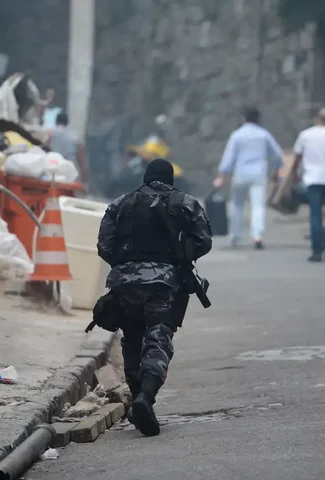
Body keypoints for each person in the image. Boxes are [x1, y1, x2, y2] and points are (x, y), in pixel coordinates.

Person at [97, 158, 212, 437]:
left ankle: (138, 398)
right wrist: (180, 256)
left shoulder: (120, 203)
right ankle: (145, 398)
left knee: (132, 339)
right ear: (170, 178)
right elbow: (204, 239)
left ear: (145, 177)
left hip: (124, 285)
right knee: (159, 338)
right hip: (164, 284)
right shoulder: (184, 202)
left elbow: (104, 246)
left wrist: (126, 267)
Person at [213, 107, 282, 249]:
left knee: (237, 205)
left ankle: (235, 235)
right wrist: (275, 170)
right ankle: (258, 236)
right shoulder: (264, 134)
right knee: (258, 206)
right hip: (259, 174)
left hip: (240, 174)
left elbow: (229, 157)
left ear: (243, 118)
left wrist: (222, 176)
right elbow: (278, 155)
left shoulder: (237, 135)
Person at [288, 107, 325, 262]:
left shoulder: (305, 135)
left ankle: (316, 250)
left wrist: (293, 174)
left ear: (317, 119)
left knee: (316, 215)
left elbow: (296, 158)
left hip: (313, 180)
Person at [47, 111, 88, 185]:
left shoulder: (50, 133)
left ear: (56, 121)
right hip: (68, 172)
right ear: (68, 122)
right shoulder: (75, 137)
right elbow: (82, 161)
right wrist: (84, 182)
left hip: (52, 170)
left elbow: (44, 149)